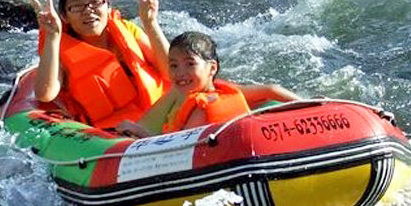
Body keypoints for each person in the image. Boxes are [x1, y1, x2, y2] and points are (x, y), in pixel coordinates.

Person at [26, 0, 170, 129]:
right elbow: (45, 93)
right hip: (112, 134)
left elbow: (172, 72)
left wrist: (150, 22)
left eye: (96, 2)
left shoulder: (129, 30)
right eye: (76, 6)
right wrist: (52, 36)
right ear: (64, 16)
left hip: (159, 117)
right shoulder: (59, 50)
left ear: (108, 7)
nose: (88, 11)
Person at [117, 31, 300, 137]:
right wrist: (311, 103)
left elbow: (180, 147)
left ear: (212, 68)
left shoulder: (201, 108)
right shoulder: (224, 91)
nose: (180, 73)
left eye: (190, 64)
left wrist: (139, 132)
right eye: (173, 65)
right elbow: (271, 89)